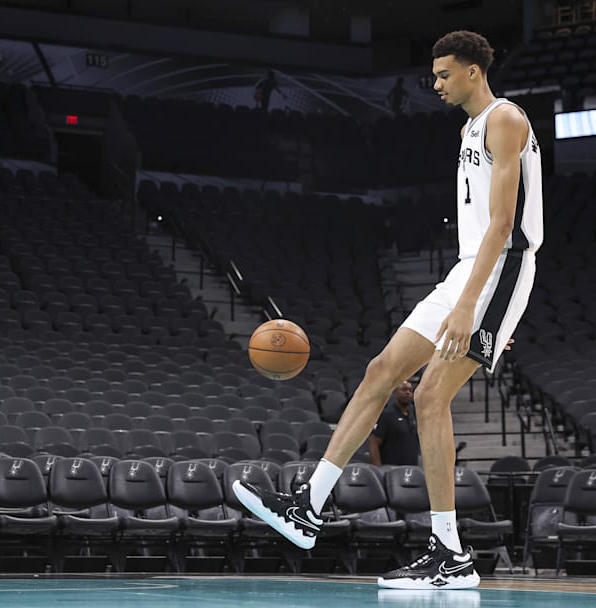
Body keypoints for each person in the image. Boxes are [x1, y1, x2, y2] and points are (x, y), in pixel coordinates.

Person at [233, 30, 543, 591]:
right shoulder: (470, 127)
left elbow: (504, 224)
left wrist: (474, 307)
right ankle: (309, 505)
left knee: (429, 397)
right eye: (436, 74)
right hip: (469, 270)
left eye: (446, 73)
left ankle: (450, 554)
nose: (437, 83)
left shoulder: (504, 118)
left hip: (500, 269)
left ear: (474, 71)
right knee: (381, 371)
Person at [369, 380, 420, 466]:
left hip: (411, 469)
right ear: (395, 392)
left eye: (410, 390)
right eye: (404, 390)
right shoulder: (387, 414)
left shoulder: (413, 414)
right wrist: (378, 468)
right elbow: (374, 442)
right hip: (390, 469)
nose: (408, 393)